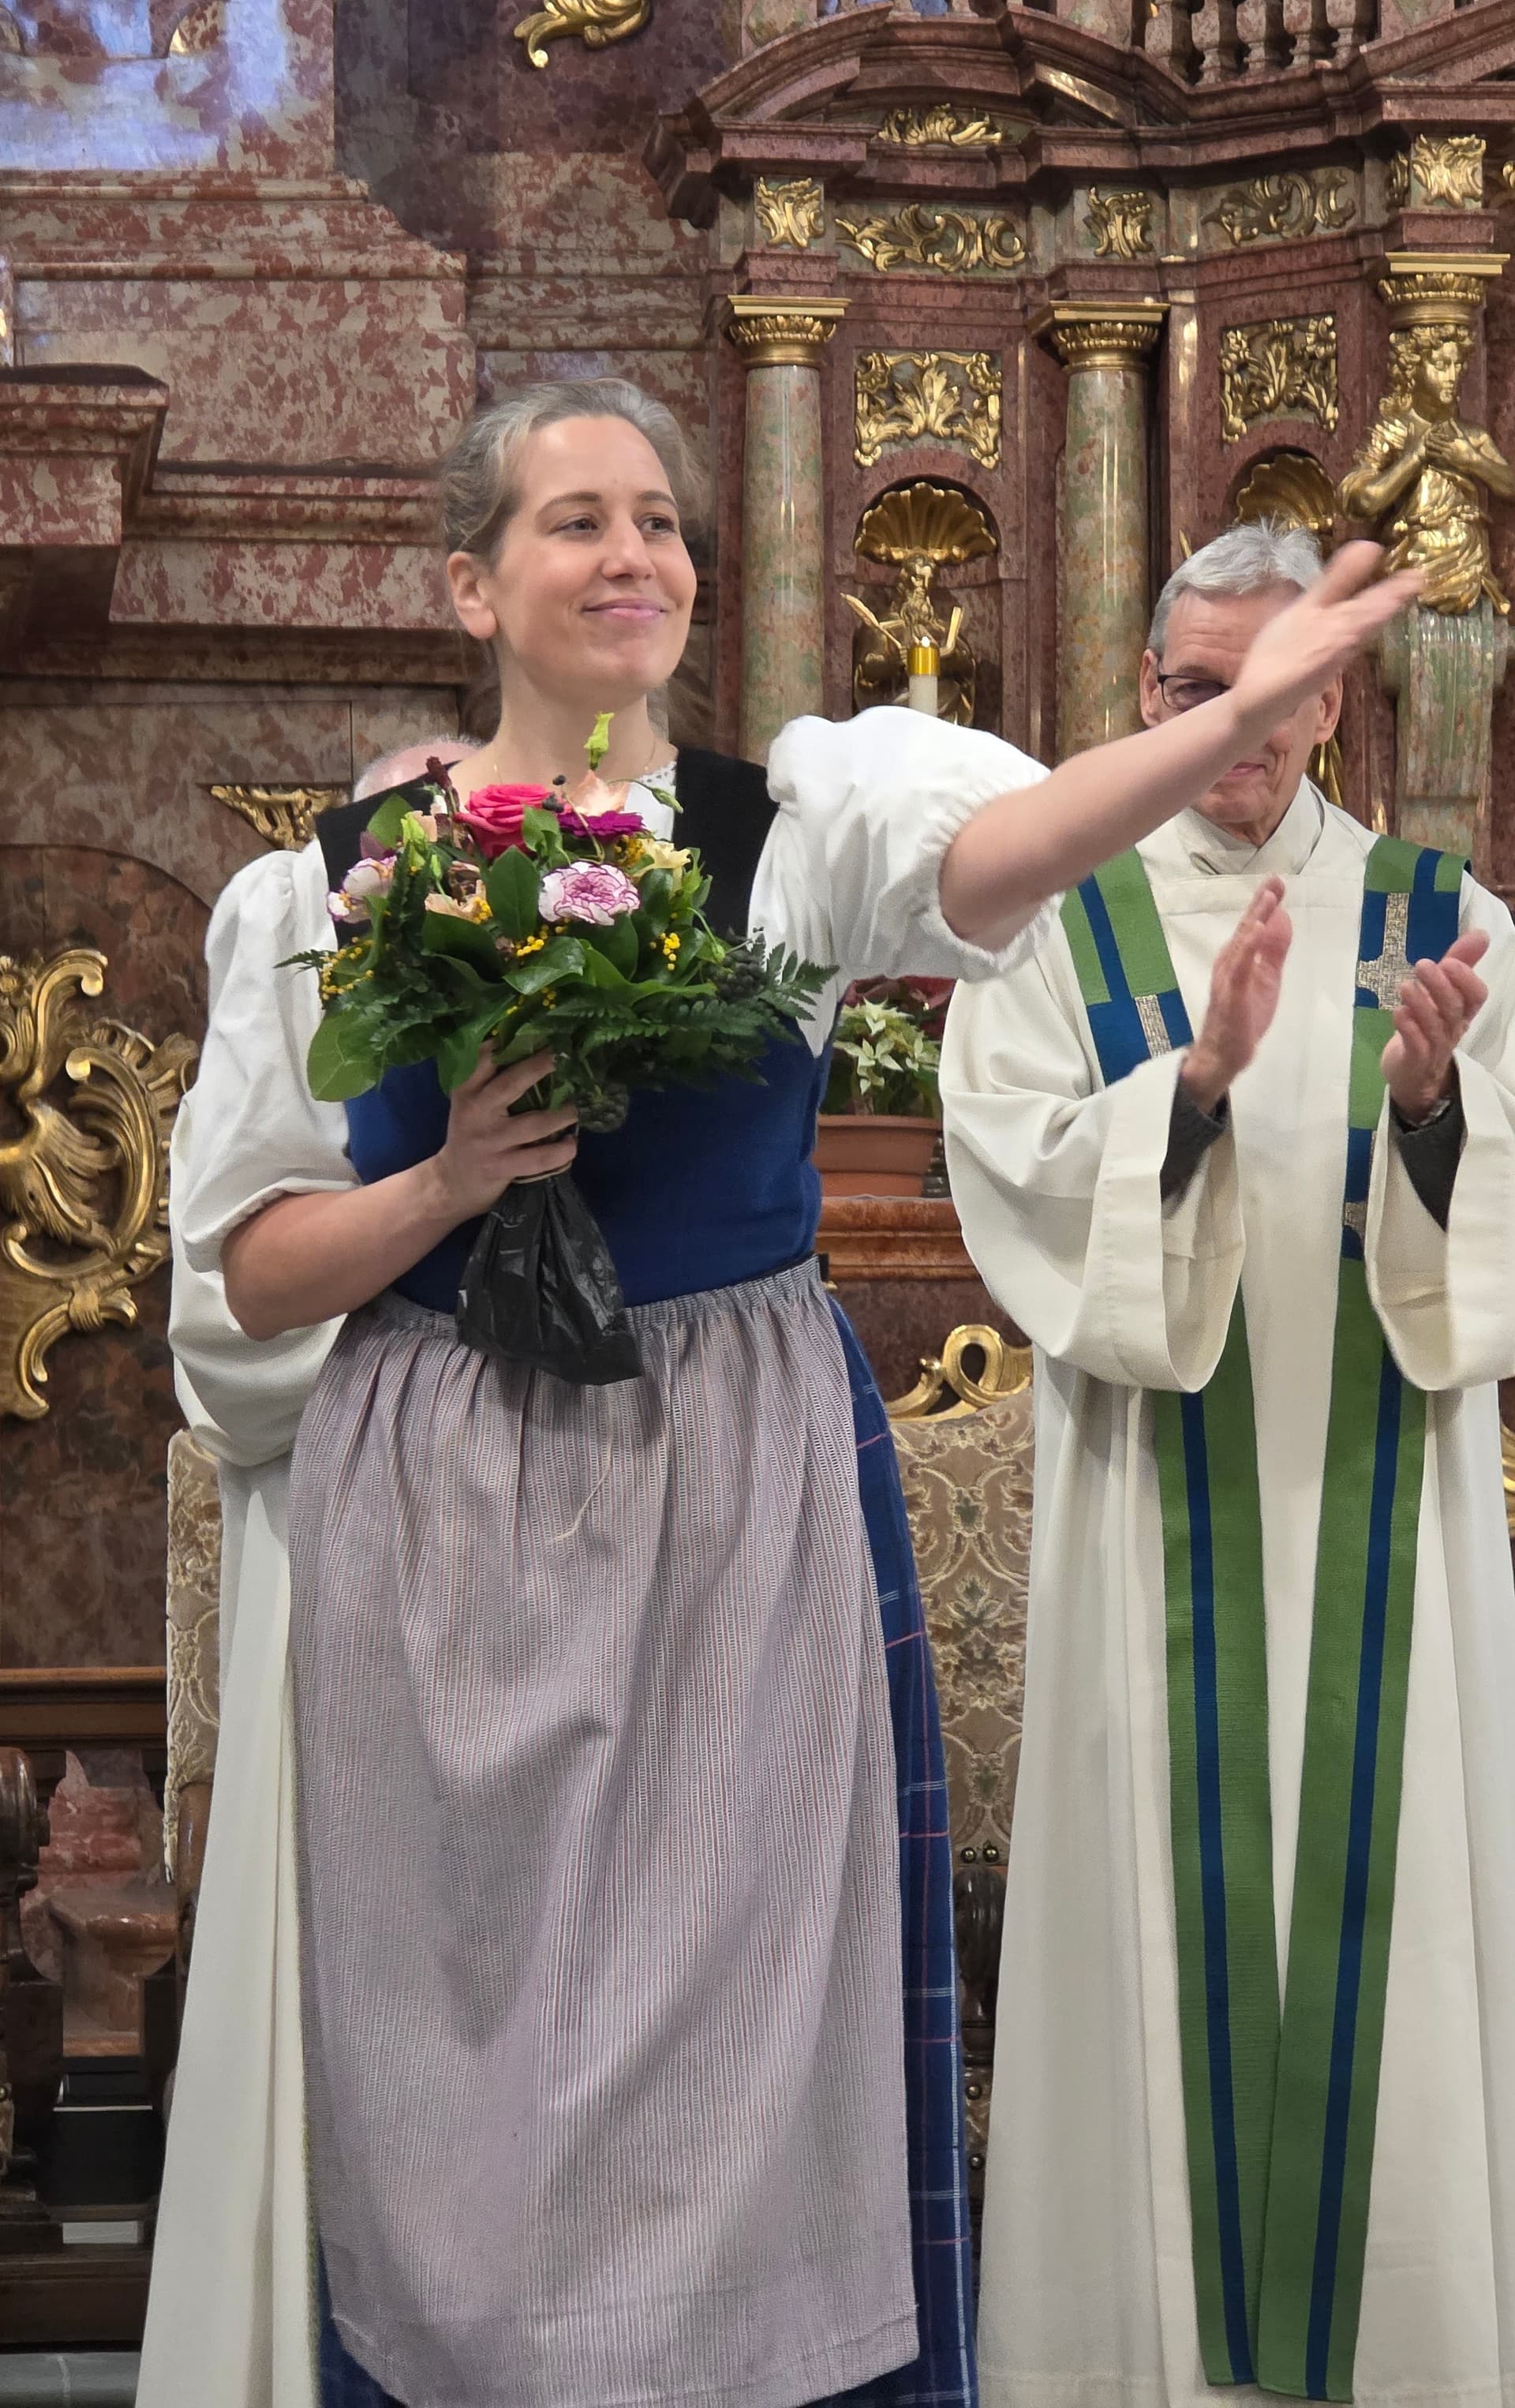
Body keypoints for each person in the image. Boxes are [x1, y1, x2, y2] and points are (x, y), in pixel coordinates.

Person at [140, 396, 1411, 2408]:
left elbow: (1028, 840)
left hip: (734, 1500)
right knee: (454, 2063)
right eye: (577, 523)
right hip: (446, 1505)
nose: (633, 554)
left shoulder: (793, 833)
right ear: (475, 581)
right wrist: (449, 1180)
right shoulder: (330, 885)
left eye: (661, 520)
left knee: (747, 2044)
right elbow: (253, 1259)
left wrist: (1238, 702)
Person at [941, 520, 1515, 2408]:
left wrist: (1428, 1106)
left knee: (1398, 1941)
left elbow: (1491, 1236)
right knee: (1156, 1955)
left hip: (1382, 1542)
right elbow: (1015, 1177)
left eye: (1272, 700)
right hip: (1152, 1539)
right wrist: (1186, 1093)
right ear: (1147, 693)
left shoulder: (1447, 917)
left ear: (1331, 698)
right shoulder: (1061, 921)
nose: (1235, 731)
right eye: (1199, 694)